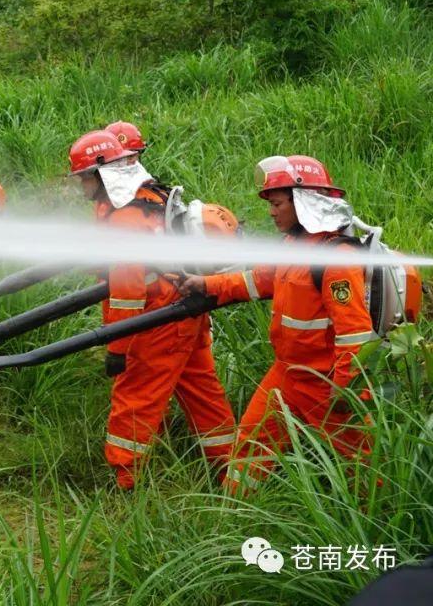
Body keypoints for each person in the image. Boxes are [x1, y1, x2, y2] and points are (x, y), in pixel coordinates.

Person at [177, 155, 376, 493]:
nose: (271, 211)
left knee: (362, 466)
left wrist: (345, 391)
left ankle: (380, 522)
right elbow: (262, 280)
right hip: (286, 374)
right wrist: (208, 285)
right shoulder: (293, 245)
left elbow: (354, 334)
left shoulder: (337, 259)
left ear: (303, 202)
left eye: (278, 203)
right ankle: (233, 511)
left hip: (324, 383)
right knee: (250, 447)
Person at [68, 130, 236, 489]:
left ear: (100, 175)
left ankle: (125, 481)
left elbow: (127, 291)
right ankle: (231, 470)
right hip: (185, 312)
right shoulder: (148, 196)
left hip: (156, 322)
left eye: (83, 177)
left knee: (136, 396)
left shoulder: (125, 217)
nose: (80, 185)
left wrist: (117, 348)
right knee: (203, 394)